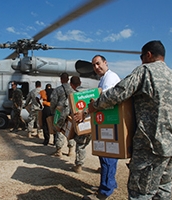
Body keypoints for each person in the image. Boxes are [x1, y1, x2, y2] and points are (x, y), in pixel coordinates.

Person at [88, 41, 172, 199]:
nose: (141, 60)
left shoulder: (145, 71)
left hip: (150, 148)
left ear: (148, 55)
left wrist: (96, 104)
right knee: (162, 192)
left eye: (142, 57)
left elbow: (119, 92)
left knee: (140, 193)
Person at [75, 55, 121, 200]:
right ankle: (108, 184)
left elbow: (104, 100)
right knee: (106, 156)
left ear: (105, 63)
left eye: (98, 64)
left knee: (107, 156)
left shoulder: (110, 77)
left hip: (111, 122)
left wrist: (85, 113)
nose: (96, 67)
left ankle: (104, 192)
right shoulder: (104, 78)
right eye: (94, 65)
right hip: (106, 121)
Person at [70, 76, 92, 173]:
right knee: (86, 142)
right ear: (80, 82)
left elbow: (68, 109)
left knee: (80, 144)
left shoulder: (73, 95)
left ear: (71, 84)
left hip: (80, 123)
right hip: (91, 122)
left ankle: (79, 165)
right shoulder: (90, 93)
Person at [50, 72, 75, 157]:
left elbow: (53, 101)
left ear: (61, 80)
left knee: (59, 130)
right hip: (71, 112)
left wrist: (53, 111)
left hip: (60, 112)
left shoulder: (57, 90)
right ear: (68, 79)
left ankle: (59, 151)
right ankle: (71, 150)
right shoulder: (73, 89)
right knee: (70, 129)